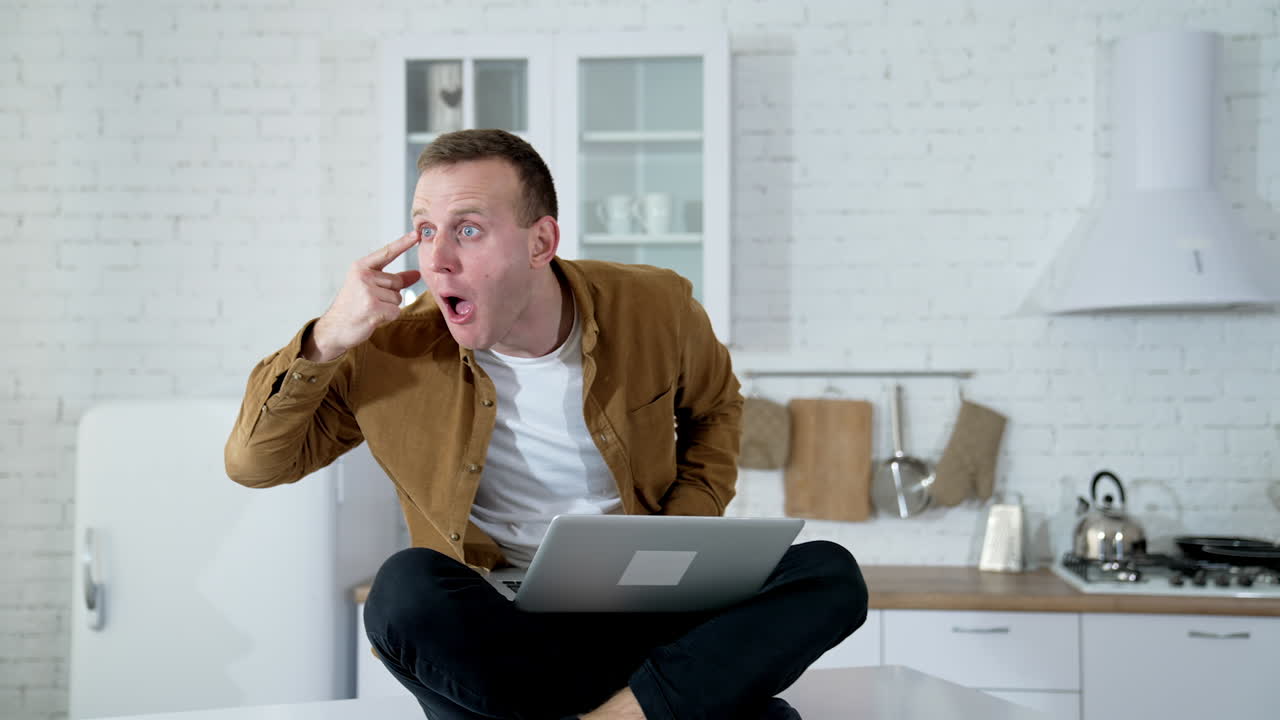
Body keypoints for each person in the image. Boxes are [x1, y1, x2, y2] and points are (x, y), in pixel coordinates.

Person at [225, 129, 868, 720]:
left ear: (541, 242)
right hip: (503, 629)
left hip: (646, 602)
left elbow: (717, 409)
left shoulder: (655, 306)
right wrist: (326, 339)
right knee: (403, 590)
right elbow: (257, 463)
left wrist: (680, 531)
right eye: (425, 230)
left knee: (829, 573)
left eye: (468, 229)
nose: (437, 260)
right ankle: (662, 704)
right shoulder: (383, 352)